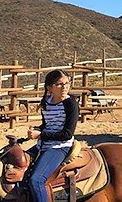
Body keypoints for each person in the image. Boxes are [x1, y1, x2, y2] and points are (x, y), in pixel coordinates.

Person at [26, 70, 79, 202]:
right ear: (50, 88)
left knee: (36, 180)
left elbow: (67, 134)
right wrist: (36, 130)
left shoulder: (71, 104)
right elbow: (47, 125)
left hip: (60, 147)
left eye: (67, 83)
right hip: (43, 144)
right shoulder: (46, 102)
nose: (65, 87)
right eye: (60, 84)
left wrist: (41, 134)